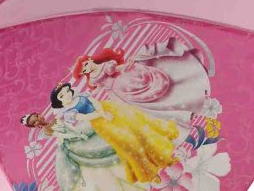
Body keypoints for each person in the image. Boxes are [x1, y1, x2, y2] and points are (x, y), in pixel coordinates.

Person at [21, 111, 145, 191]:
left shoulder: (55, 119)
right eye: (35, 121)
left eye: (37, 115)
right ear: (35, 125)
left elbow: (70, 125)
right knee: (92, 169)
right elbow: (63, 135)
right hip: (72, 143)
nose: (39, 118)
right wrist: (77, 135)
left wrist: (79, 131)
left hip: (78, 135)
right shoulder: (47, 130)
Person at [72, 37, 210, 142]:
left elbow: (118, 68)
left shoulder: (106, 65)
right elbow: (99, 87)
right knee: (145, 109)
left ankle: (185, 100)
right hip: (119, 93)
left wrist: (127, 66)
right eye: (84, 70)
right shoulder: (93, 78)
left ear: (90, 60)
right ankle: (176, 117)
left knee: (154, 92)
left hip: (127, 79)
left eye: (86, 64)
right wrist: (90, 95)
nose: (87, 68)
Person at [50, 82, 179, 185]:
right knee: (129, 143)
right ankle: (149, 172)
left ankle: (162, 158)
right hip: (101, 123)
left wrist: (103, 112)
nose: (66, 95)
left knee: (137, 127)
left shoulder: (81, 96)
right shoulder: (68, 113)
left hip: (109, 109)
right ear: (58, 102)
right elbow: (85, 117)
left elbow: (95, 102)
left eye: (67, 91)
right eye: (62, 96)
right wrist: (101, 115)